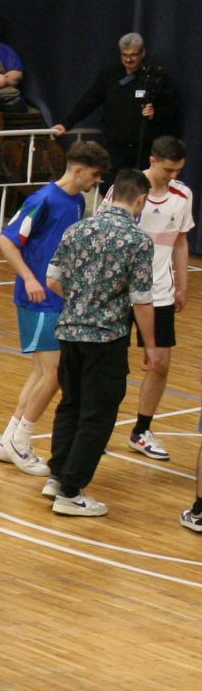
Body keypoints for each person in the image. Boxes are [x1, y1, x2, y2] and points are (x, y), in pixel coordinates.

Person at [45, 168, 162, 517]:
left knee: (70, 405)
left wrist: (80, 303)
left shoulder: (77, 229)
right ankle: (71, 491)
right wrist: (151, 345)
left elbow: (53, 279)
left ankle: (56, 476)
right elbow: (141, 300)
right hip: (106, 337)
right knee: (98, 415)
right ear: (140, 199)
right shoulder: (138, 241)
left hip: (69, 332)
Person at [0, 140, 111, 475]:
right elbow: (6, 241)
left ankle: (8, 440)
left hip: (58, 298)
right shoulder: (41, 200)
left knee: (42, 372)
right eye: (95, 175)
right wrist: (30, 279)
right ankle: (20, 441)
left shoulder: (76, 201)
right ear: (78, 170)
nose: (97, 181)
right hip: (38, 299)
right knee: (54, 372)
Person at [126, 138, 194, 461]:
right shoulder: (126, 188)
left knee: (160, 363)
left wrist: (182, 285)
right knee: (107, 365)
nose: (173, 176)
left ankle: (141, 431)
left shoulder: (183, 195)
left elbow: (180, 242)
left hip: (160, 293)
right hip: (122, 293)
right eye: (168, 169)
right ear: (152, 161)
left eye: (178, 170)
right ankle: (92, 427)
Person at [52, 32, 183, 171]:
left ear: (143, 53)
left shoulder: (156, 78)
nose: (128, 59)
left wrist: (155, 114)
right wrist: (67, 123)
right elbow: (89, 101)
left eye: (133, 55)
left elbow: (172, 109)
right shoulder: (110, 76)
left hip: (145, 148)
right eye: (124, 55)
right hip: (116, 149)